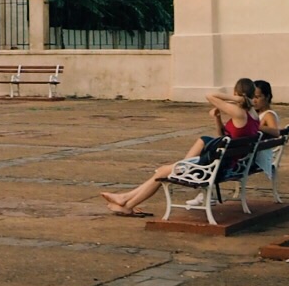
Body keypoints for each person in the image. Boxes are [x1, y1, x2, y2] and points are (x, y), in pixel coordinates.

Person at [102, 78, 262, 216]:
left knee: (162, 171)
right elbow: (223, 136)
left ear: (236, 92)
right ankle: (125, 199)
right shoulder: (253, 114)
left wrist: (234, 99)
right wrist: (218, 118)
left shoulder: (239, 112)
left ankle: (127, 204)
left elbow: (209, 95)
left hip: (219, 168)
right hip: (229, 165)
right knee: (176, 161)